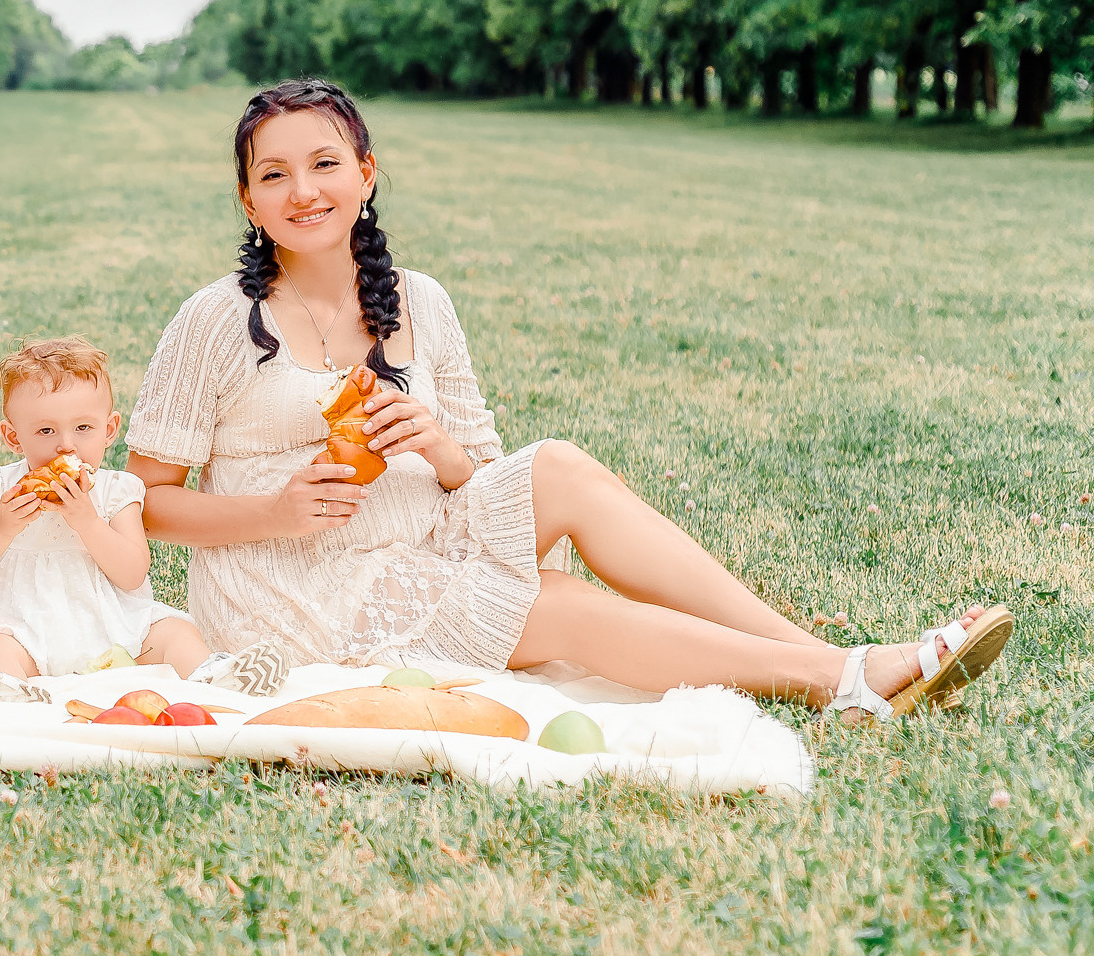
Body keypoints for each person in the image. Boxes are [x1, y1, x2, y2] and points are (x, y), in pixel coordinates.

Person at [123, 77, 1013, 720]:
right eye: (274, 174)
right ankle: (841, 679)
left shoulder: (420, 301)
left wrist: (435, 445)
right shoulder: (215, 320)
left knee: (558, 467)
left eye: (325, 163)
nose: (304, 190)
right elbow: (145, 504)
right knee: (549, 603)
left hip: (420, 533)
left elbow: (479, 472)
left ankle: (826, 658)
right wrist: (276, 510)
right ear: (248, 198)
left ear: (366, 173)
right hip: (296, 590)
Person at [0, 337, 286, 703]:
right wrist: (2, 528)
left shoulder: (118, 491)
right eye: (46, 431)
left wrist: (88, 522)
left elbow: (132, 574)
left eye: (83, 427)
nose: (66, 445)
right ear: (12, 436)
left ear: (110, 429)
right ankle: (10, 690)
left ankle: (212, 674)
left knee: (175, 631)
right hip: (21, 624)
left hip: (109, 626)